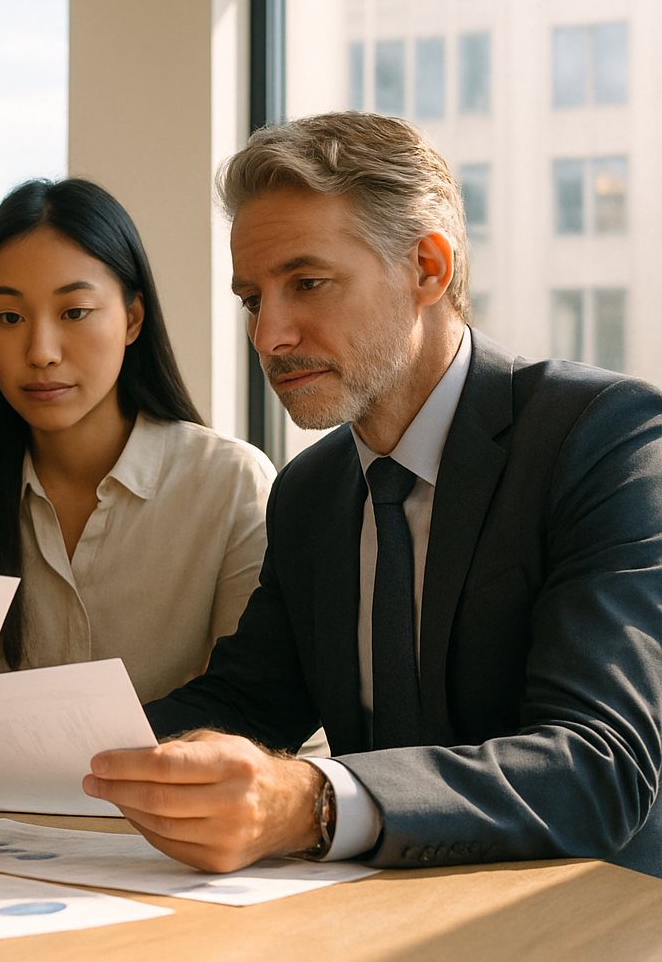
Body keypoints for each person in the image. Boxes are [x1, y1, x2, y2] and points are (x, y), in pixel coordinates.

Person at [82, 112, 662, 878]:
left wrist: (311, 802)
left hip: (583, 923)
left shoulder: (603, 437)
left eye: (308, 283)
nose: (270, 336)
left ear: (428, 267)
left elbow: (599, 765)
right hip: (372, 920)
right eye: (253, 297)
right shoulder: (310, 493)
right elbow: (249, 704)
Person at [0, 178, 274, 806]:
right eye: (9, 317)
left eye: (74, 313)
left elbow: (253, 721)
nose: (40, 351)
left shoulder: (230, 486)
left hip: (164, 852)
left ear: (132, 318)